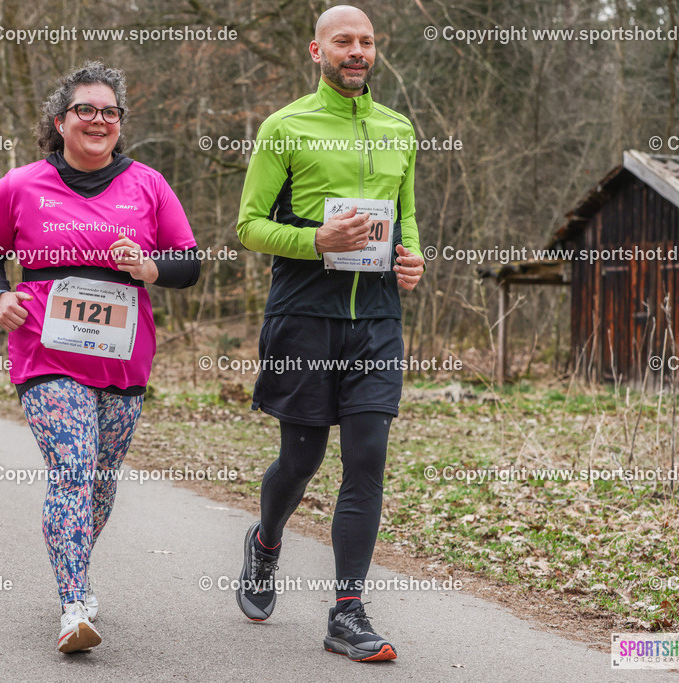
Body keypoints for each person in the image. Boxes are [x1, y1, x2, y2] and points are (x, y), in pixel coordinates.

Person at [0, 61, 199, 655]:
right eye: (85, 110)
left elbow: (189, 263)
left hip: (124, 358)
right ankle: (74, 603)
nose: (98, 120)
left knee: (98, 482)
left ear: (120, 124)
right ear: (60, 121)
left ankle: (72, 573)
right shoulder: (19, 185)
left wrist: (148, 267)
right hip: (45, 350)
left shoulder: (149, 184)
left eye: (110, 112)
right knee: (73, 467)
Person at [234, 5, 426, 663]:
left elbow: (407, 217)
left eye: (367, 42)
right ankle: (265, 540)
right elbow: (251, 226)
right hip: (304, 317)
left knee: (367, 456)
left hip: (376, 320)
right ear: (316, 49)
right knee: (303, 458)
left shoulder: (399, 128)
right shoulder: (285, 126)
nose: (357, 51)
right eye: (344, 41)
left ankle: (347, 610)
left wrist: (411, 258)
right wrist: (314, 240)